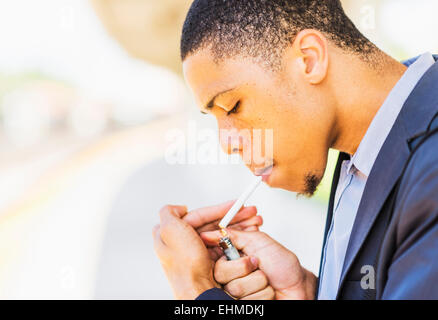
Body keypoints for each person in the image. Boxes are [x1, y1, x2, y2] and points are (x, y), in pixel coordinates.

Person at [153, 0, 438, 300]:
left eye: (233, 106)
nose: (227, 144)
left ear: (309, 59)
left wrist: (196, 290)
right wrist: (307, 292)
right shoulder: (362, 160)